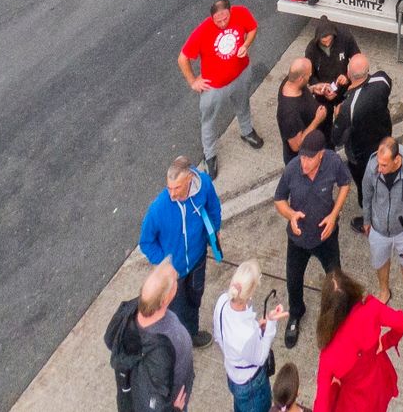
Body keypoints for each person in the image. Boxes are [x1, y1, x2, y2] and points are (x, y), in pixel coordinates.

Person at [272, 129, 351, 347]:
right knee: (293, 280)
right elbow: (279, 199)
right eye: (302, 157)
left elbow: (345, 184)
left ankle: (338, 315)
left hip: (326, 237)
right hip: (298, 240)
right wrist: (291, 215)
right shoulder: (292, 169)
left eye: (309, 158)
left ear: (321, 155)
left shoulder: (333, 162)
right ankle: (295, 314)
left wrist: (334, 215)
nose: (304, 163)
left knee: (336, 280)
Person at [139, 155, 224, 348]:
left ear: (189, 180)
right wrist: (165, 264)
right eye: (169, 188)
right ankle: (178, 345)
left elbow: (213, 207)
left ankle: (191, 334)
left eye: (176, 188)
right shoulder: (158, 209)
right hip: (172, 274)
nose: (172, 194)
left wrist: (214, 230)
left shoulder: (204, 185)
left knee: (195, 298)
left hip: (197, 259)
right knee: (175, 311)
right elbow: (146, 242)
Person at [180, 0, 266, 176]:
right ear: (211, 18)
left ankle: (247, 131)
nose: (222, 23)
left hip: (241, 74)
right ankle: (209, 155)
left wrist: (245, 44)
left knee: (243, 104)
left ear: (230, 12)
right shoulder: (203, 30)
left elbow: (252, 29)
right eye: (217, 21)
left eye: (225, 19)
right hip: (214, 87)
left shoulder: (241, 12)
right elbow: (183, 58)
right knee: (209, 119)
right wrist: (193, 81)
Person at [313, 267, 403, 412]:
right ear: (352, 289)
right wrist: (385, 342)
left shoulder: (327, 356)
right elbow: (402, 322)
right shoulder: (371, 309)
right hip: (379, 381)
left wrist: (335, 385)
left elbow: (321, 405)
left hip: (356, 402)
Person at [105, 262, 194, 412]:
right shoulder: (160, 350)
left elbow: (109, 340)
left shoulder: (128, 313)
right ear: (166, 298)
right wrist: (176, 410)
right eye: (175, 280)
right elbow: (152, 405)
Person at [360, 135, 403, 323]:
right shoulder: (373, 165)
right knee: (380, 261)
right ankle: (384, 291)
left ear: (396, 160)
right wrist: (367, 219)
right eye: (378, 164)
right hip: (378, 227)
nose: (379, 169)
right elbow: (366, 194)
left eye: (384, 165)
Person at [214, 260, 285, 412]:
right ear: (251, 293)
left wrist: (256, 331)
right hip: (251, 384)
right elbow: (260, 357)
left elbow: (219, 336)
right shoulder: (247, 333)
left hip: (233, 374)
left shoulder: (222, 302)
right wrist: (270, 325)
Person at [335, 53, 394, 229]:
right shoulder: (382, 81)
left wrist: (337, 116)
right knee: (383, 181)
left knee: (365, 189)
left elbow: (336, 138)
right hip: (383, 143)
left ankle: (370, 221)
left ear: (348, 73)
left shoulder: (348, 107)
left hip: (360, 155)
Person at [276, 57, 327, 163]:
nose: (310, 76)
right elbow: (296, 146)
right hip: (305, 159)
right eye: (309, 75)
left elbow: (300, 95)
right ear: (300, 78)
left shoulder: (290, 81)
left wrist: (313, 89)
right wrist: (317, 120)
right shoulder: (288, 113)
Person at [307, 18, 361, 107]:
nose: (327, 44)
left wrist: (347, 77)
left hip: (345, 90)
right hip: (323, 93)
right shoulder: (311, 50)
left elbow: (357, 59)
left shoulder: (345, 38)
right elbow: (310, 75)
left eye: (329, 40)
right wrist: (320, 88)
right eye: (324, 42)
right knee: (324, 118)